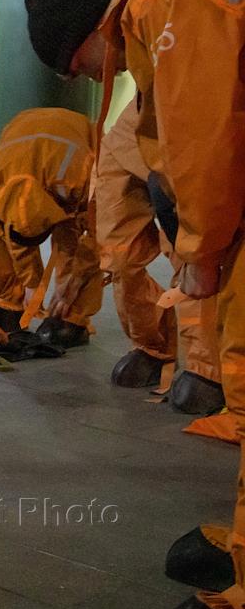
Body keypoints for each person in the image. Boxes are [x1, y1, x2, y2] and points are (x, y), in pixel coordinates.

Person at [25, 0, 245, 609]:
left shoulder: (168, 4)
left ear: (91, 33)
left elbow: (203, 138)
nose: (94, 76)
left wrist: (200, 251)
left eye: (80, 65)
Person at [96, 102, 222, 410]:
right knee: (120, 255)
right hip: (136, 129)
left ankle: (208, 366)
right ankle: (151, 345)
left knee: (191, 253)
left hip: (183, 130)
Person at [0, 107, 103, 348]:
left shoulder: (81, 177)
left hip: (76, 151)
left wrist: (72, 284)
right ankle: (7, 302)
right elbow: (15, 233)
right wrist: (33, 285)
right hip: (24, 135)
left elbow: (97, 238)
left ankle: (71, 316)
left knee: (76, 237)